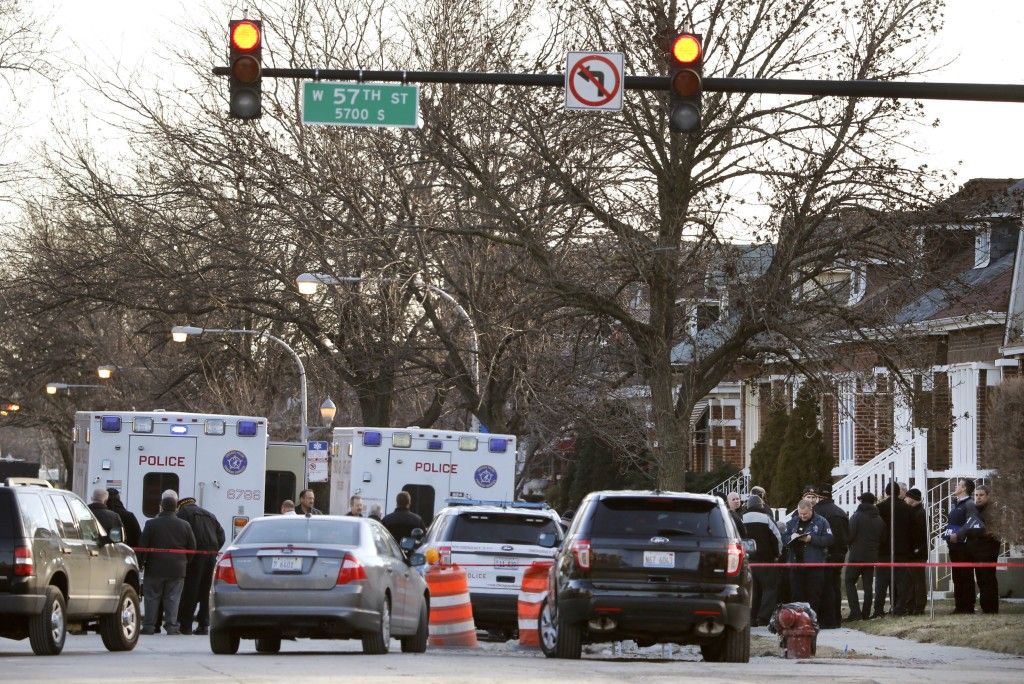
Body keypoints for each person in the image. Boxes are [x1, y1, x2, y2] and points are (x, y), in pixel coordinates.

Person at [138, 490, 196, 635]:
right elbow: (192, 547)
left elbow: (143, 545)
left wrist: (141, 563)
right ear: (176, 508)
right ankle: (171, 627)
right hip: (177, 568)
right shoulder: (185, 525)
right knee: (173, 598)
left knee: (151, 597)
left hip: (154, 568)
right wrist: (185, 562)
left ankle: (149, 626)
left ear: (161, 507)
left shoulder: (151, 524)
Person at [176, 496, 225, 635]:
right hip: (211, 556)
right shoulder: (210, 515)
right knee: (206, 590)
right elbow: (222, 536)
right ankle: (204, 624)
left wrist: (186, 554)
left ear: (181, 505)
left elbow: (182, 535)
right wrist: (214, 550)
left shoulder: (183, 513)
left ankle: (186, 625)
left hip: (195, 556)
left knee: (190, 590)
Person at [953, 484, 1001, 614]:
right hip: (974, 550)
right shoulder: (973, 510)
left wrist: (972, 530)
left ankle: (990, 609)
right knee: (980, 580)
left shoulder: (992, 511)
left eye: (981, 495)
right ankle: (984, 607)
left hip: (987, 552)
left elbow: (990, 532)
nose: (978, 498)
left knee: (987, 580)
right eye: (976, 495)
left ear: (988, 496)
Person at [783, 498, 833, 620]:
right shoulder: (793, 522)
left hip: (814, 566)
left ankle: (812, 621)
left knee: (813, 595)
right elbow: (783, 539)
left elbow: (829, 539)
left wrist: (812, 539)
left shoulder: (822, 522)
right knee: (796, 595)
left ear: (811, 510)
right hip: (796, 565)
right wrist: (790, 537)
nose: (802, 516)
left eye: (805, 514)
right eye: (800, 513)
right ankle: (797, 621)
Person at [812, 483, 849, 629]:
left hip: (823, 554)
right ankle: (836, 618)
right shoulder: (841, 512)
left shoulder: (816, 512)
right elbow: (847, 534)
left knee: (823, 587)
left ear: (818, 496)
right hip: (839, 554)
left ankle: (826, 619)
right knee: (835, 586)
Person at [741, 494, 782, 626]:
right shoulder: (767, 518)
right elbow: (777, 538)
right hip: (766, 560)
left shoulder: (741, 518)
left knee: (752, 590)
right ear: (761, 505)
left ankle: (751, 617)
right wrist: (777, 554)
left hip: (747, 561)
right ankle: (763, 617)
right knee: (769, 589)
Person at [845, 491, 884, 621]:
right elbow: (883, 537)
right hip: (872, 556)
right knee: (868, 586)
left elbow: (849, 535)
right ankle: (866, 613)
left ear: (861, 501)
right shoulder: (879, 519)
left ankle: (855, 613)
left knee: (849, 581)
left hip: (856, 556)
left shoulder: (856, 516)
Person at [945, 478, 978, 614]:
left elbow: (971, 522)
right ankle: (959, 606)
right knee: (957, 577)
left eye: (958, 485)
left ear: (964, 488)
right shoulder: (956, 503)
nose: (955, 486)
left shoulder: (969, 504)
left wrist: (958, 535)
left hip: (964, 547)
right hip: (954, 547)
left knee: (966, 576)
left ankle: (968, 606)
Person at [904, 488, 929, 615]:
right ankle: (911, 605)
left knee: (918, 580)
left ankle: (919, 606)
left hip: (917, 553)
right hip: (913, 552)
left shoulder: (920, 514)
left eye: (907, 497)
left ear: (912, 498)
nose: (905, 499)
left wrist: (917, 549)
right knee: (911, 581)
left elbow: (921, 535)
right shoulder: (914, 512)